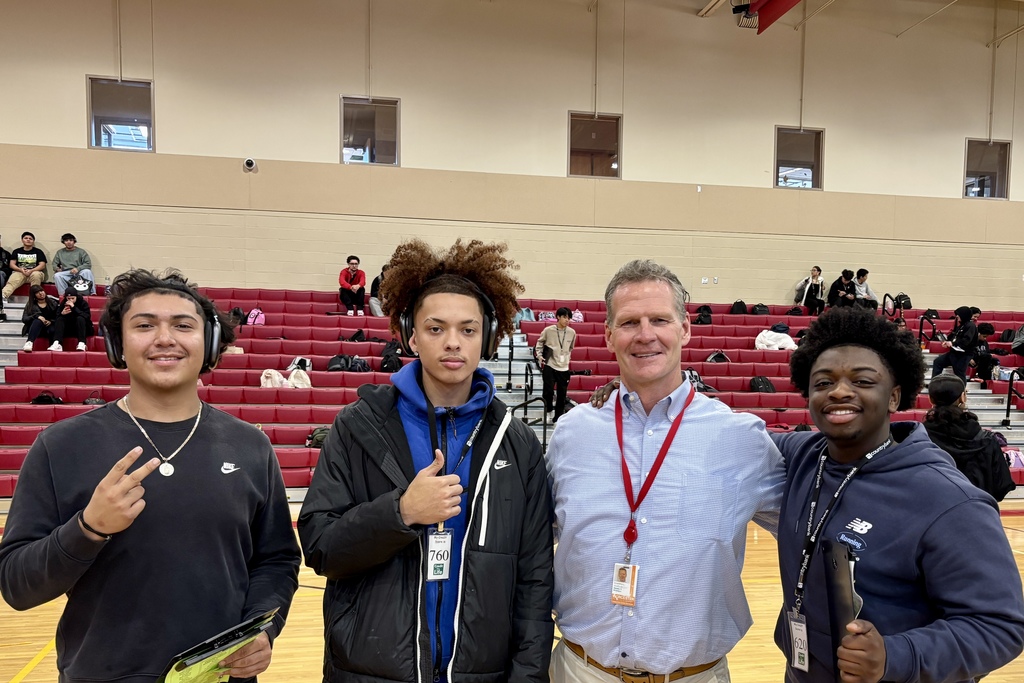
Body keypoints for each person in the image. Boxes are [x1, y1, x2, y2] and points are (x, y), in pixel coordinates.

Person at [0, 269, 301, 682]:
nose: (164, 338)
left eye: (183, 325)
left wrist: (264, 628)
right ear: (117, 344)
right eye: (144, 325)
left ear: (209, 344)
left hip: (218, 676)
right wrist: (88, 529)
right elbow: (17, 585)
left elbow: (277, 560)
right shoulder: (61, 445)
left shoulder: (251, 446)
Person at [298, 239, 553, 683]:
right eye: (435, 329)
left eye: (468, 330)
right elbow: (321, 547)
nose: (452, 343)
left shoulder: (518, 444)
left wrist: (528, 676)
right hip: (371, 672)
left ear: (487, 338)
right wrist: (400, 513)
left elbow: (534, 579)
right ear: (411, 336)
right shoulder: (358, 427)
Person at [546, 259, 784, 683]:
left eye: (659, 319)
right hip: (582, 671)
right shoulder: (572, 433)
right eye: (629, 322)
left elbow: (809, 528)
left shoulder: (740, 439)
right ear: (607, 335)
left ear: (685, 329)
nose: (645, 335)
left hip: (695, 676)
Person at [773, 306, 1024, 682]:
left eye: (862, 381)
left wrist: (895, 655)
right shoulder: (805, 456)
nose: (839, 391)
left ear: (893, 397)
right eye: (823, 383)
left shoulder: (949, 500)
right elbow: (735, 437)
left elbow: (1001, 626)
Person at [924, 373, 1015, 502]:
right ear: (963, 397)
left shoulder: (918, 439)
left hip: (932, 515)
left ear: (930, 399)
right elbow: (1001, 487)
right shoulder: (987, 440)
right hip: (977, 513)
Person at [535, 306, 577, 422]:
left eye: (569, 318)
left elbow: (571, 348)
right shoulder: (548, 330)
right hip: (550, 365)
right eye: (564, 317)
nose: (567, 320)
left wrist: (566, 358)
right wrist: (539, 355)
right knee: (548, 391)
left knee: (562, 394)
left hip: (564, 367)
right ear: (558, 317)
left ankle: (558, 417)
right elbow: (539, 343)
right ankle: (548, 411)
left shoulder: (572, 332)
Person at [932, 305, 978, 382]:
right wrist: (946, 342)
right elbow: (954, 336)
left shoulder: (971, 326)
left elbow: (966, 340)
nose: (957, 316)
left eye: (958, 315)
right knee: (938, 362)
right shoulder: (961, 325)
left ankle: (961, 391)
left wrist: (953, 343)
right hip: (954, 352)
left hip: (964, 354)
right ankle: (935, 383)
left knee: (959, 372)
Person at [2, 231, 47, 302]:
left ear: (33, 241)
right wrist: (21, 270)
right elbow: (11, 264)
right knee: (13, 279)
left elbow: (42, 265)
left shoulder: (38, 251)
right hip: (20, 272)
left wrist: (31, 270)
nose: (28, 240)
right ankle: (3, 296)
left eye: (30, 238)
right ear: (22, 240)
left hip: (34, 272)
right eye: (26, 238)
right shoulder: (16, 251)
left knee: (36, 275)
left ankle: (33, 299)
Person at [20, 284, 59, 352]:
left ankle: (53, 347)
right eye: (37, 292)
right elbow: (24, 319)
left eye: (42, 291)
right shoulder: (31, 305)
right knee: (38, 321)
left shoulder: (53, 302)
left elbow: (58, 316)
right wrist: (36, 316)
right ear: (34, 295)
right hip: (37, 329)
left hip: (50, 327)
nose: (41, 293)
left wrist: (51, 321)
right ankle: (29, 342)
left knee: (53, 328)